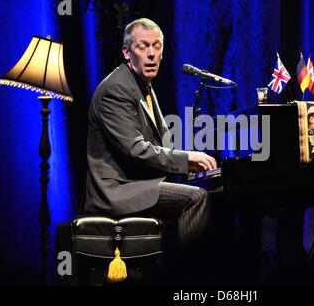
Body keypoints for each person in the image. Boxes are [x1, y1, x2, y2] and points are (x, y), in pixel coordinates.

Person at [84, 18, 218, 251]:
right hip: (117, 192)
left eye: (156, 46)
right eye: (143, 46)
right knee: (195, 198)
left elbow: (161, 145)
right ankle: (190, 279)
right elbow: (135, 150)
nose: (151, 53)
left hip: (138, 185)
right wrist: (186, 159)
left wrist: (196, 167)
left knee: (216, 194)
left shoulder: (143, 86)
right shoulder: (116, 88)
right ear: (126, 52)